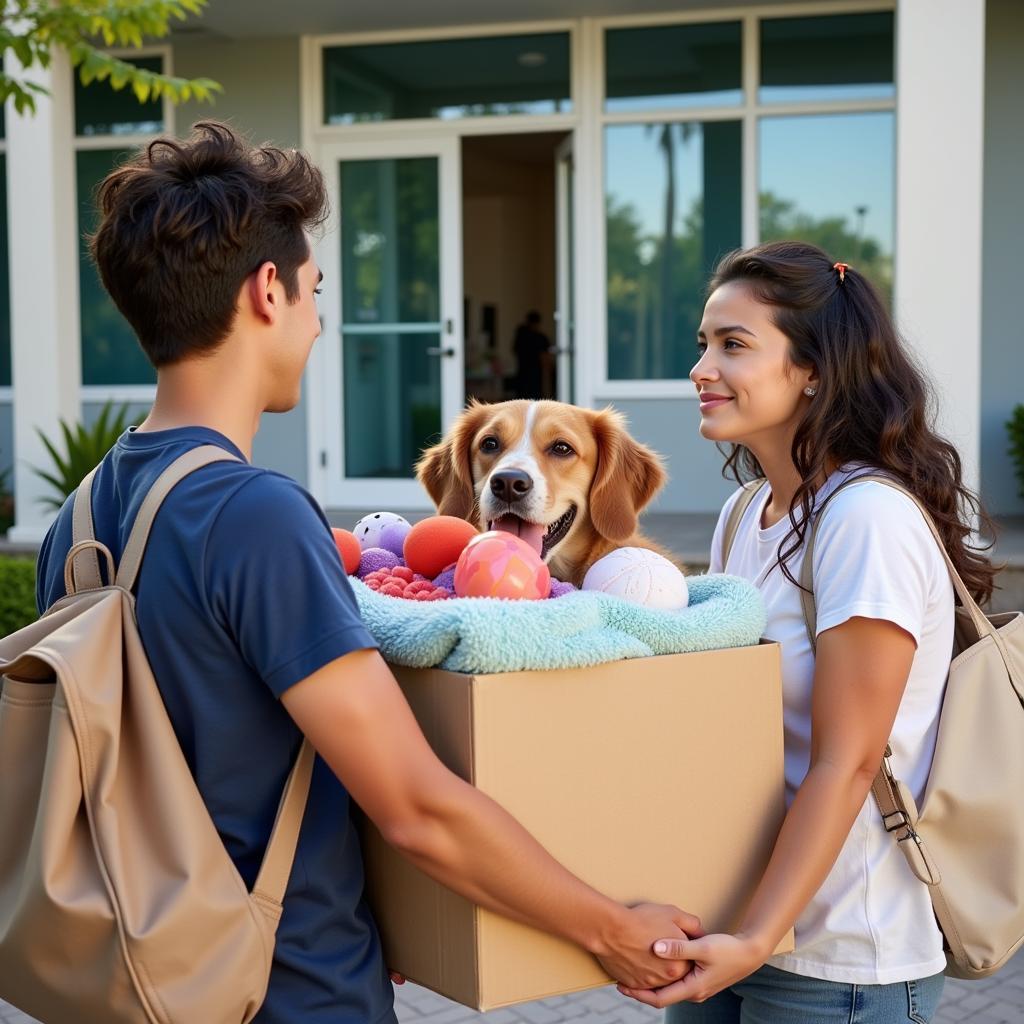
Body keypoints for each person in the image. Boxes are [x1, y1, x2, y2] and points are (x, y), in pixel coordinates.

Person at [35, 122, 698, 1024]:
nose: (318, 319)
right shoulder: (256, 514)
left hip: (143, 971)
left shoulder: (78, 519)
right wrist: (612, 927)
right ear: (268, 291)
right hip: (286, 985)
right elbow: (417, 806)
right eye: (316, 291)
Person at [619, 241, 996, 1022]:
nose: (701, 369)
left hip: (838, 959)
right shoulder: (745, 515)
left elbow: (849, 759)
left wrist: (759, 936)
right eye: (703, 345)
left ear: (815, 369)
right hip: (730, 927)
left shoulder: (866, 519)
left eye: (733, 345)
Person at [512, 309, 552, 399]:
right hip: (535, 376)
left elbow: (514, 350)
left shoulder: (520, 335)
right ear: (538, 323)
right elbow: (545, 359)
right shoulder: (540, 338)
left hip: (521, 375)